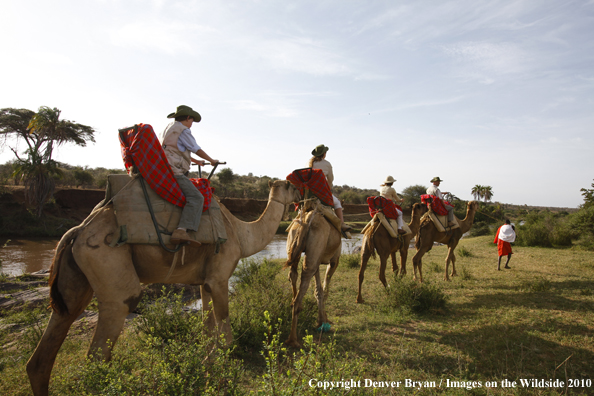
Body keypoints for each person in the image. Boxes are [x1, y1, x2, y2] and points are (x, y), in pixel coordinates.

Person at [159, 105, 219, 246]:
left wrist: (196, 161)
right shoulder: (183, 130)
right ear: (187, 118)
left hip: (166, 168)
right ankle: (181, 230)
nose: (191, 124)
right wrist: (211, 160)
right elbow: (195, 148)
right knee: (197, 197)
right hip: (175, 172)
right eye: (192, 120)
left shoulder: (168, 129)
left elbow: (174, 150)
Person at [309, 144, 352, 232]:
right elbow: (330, 180)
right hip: (321, 194)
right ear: (324, 154)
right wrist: (327, 189)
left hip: (308, 194)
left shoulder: (308, 163)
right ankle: (342, 224)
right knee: (337, 203)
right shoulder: (327, 164)